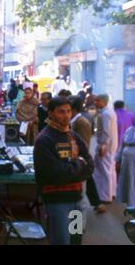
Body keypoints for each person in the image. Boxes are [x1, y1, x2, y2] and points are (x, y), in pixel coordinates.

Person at [34, 97, 94, 245]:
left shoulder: (73, 136)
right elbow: (55, 173)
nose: (66, 115)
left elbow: (90, 165)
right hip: (57, 202)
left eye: (68, 111)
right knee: (61, 241)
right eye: (61, 112)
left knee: (75, 240)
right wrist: (79, 163)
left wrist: (73, 169)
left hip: (77, 201)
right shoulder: (44, 140)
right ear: (50, 113)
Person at [69, 96, 106, 214]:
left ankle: (78, 227)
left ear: (74, 109)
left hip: (79, 158)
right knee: (88, 181)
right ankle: (97, 203)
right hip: (76, 158)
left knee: (82, 190)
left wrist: (79, 156)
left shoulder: (81, 122)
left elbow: (84, 142)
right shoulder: (74, 120)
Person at [93, 94, 118, 204]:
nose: (95, 103)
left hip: (106, 146)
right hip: (110, 145)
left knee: (105, 170)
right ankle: (111, 193)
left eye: (97, 101)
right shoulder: (108, 112)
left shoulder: (105, 114)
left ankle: (105, 196)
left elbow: (106, 132)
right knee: (110, 169)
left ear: (103, 101)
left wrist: (103, 145)